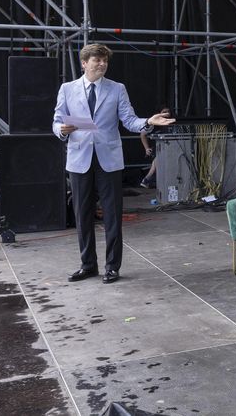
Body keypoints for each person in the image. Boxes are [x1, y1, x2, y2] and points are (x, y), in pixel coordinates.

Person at [53, 44, 175, 284]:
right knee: (82, 214)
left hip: (108, 159)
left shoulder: (117, 89)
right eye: (97, 60)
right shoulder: (67, 89)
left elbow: (129, 120)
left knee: (112, 215)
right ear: (84, 63)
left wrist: (148, 121)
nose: (102, 64)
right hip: (79, 159)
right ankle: (87, 265)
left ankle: (112, 266)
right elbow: (57, 120)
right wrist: (61, 130)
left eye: (105, 61)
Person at [138, 107, 170, 189]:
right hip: (157, 149)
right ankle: (147, 179)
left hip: (170, 149)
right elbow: (142, 134)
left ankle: (148, 179)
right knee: (159, 157)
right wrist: (146, 148)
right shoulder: (153, 124)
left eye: (168, 112)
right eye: (164, 112)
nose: (166, 114)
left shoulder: (171, 122)